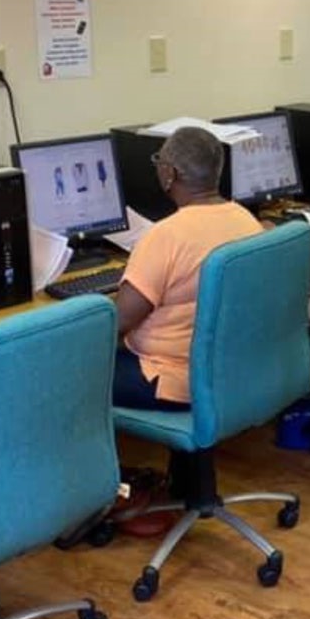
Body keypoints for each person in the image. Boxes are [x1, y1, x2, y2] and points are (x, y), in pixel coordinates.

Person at [111, 127, 262, 410]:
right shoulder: (247, 221)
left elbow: (118, 321)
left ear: (168, 173)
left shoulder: (165, 236)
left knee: (65, 372)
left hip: (169, 380)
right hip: (226, 372)